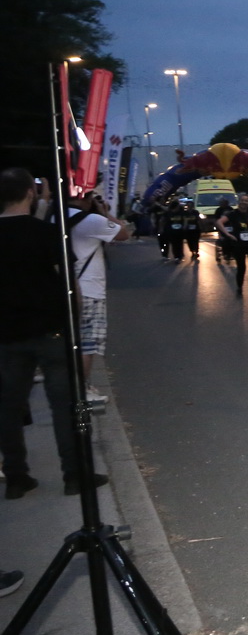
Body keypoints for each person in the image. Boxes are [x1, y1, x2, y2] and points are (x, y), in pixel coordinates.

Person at [0, 168, 108, 497]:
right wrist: (74, 321)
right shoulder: (47, 233)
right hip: (52, 332)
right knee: (68, 404)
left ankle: (16, 476)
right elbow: (69, 283)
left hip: (7, 335)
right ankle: (75, 473)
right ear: (30, 193)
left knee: (9, 407)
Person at [66, 189, 132, 400]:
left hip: (65, 286)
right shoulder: (92, 220)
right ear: (85, 199)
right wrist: (103, 212)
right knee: (87, 341)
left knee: (70, 339)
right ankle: (82, 390)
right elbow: (123, 233)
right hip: (89, 289)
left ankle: (73, 385)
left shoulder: (54, 215)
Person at [216, 193, 248, 298]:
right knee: (241, 267)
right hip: (239, 244)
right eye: (242, 200)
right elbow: (219, 222)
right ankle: (239, 289)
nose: (243, 202)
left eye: (246, 201)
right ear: (239, 202)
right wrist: (228, 234)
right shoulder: (233, 213)